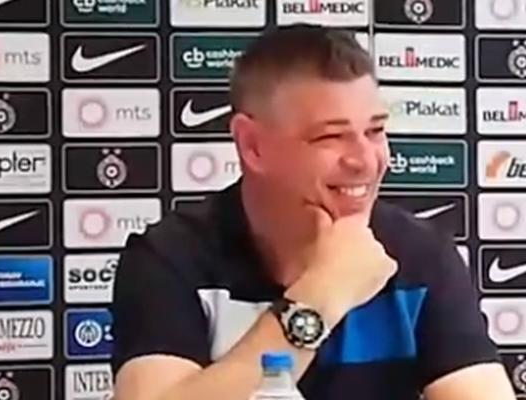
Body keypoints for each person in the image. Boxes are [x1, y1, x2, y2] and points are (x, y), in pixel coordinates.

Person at [110, 24, 515, 400]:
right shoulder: (170, 258)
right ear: (252, 146)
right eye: (331, 136)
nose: (365, 160)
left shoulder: (421, 254)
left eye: (375, 131)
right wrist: (321, 296)